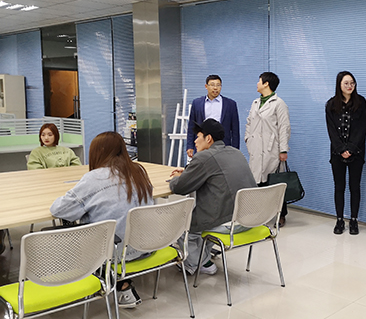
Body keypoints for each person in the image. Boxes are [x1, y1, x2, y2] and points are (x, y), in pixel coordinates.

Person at [50, 131, 153, 308]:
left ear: (98, 153)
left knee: (72, 226)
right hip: (147, 245)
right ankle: (122, 284)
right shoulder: (138, 171)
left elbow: (59, 209)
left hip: (115, 254)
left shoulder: (95, 178)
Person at [170, 119, 257, 275]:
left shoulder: (204, 157)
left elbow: (180, 187)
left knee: (181, 226)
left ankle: (200, 264)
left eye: (198, 137)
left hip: (228, 223)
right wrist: (189, 173)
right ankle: (203, 255)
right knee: (202, 218)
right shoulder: (235, 152)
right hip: (250, 218)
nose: (195, 141)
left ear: (208, 138)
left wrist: (176, 179)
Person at [245, 72, 291, 226]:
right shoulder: (255, 103)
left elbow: (284, 128)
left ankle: (281, 214)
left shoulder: (279, 103)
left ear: (266, 84)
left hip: (272, 150)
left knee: (274, 183)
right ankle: (260, 214)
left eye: (259, 81)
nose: (257, 84)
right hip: (256, 148)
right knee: (257, 183)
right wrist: (248, 140)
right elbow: (249, 123)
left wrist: (283, 150)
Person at [325, 71, 366, 235]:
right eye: (346, 83)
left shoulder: (361, 102)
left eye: (352, 83)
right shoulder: (331, 104)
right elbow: (331, 130)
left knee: (354, 187)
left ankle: (354, 220)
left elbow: (362, 128)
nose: (350, 86)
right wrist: (341, 149)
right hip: (337, 153)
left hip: (356, 153)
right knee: (339, 187)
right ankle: (339, 220)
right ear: (339, 85)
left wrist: (350, 148)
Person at [186, 74, 240, 157]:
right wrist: (190, 146)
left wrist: (235, 149)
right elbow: (192, 126)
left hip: (223, 145)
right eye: (212, 85)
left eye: (218, 85)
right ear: (206, 86)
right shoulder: (197, 103)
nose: (215, 88)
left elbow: (235, 129)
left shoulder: (230, 104)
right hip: (203, 143)